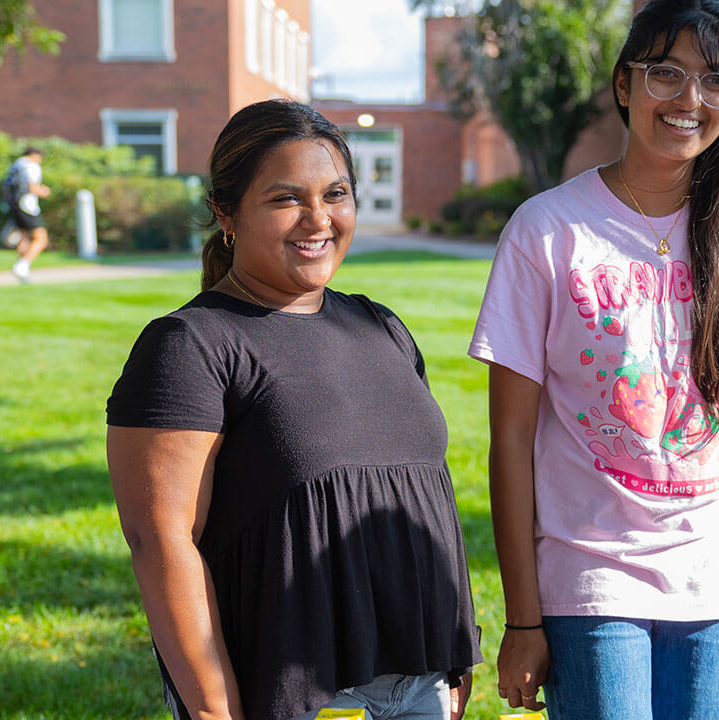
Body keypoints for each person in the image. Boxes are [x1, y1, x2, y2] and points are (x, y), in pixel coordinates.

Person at [106, 100, 481, 720]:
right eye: (286, 199)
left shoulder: (380, 326)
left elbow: (422, 496)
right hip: (295, 694)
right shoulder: (191, 345)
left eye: (336, 193)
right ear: (225, 212)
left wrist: (451, 654)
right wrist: (212, 709)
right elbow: (161, 542)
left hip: (422, 685)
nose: (318, 219)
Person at [468, 2, 719, 719]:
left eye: (716, 80)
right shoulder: (547, 231)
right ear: (623, 85)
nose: (689, 99)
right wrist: (524, 619)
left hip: (706, 573)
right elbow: (511, 442)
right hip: (591, 576)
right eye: (665, 73)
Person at [2, 146, 51, 282]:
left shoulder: (15, 166)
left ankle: (23, 272)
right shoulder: (31, 166)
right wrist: (45, 191)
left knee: (24, 238)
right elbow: (33, 188)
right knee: (41, 238)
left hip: (13, 206)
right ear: (35, 155)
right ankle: (22, 266)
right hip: (27, 207)